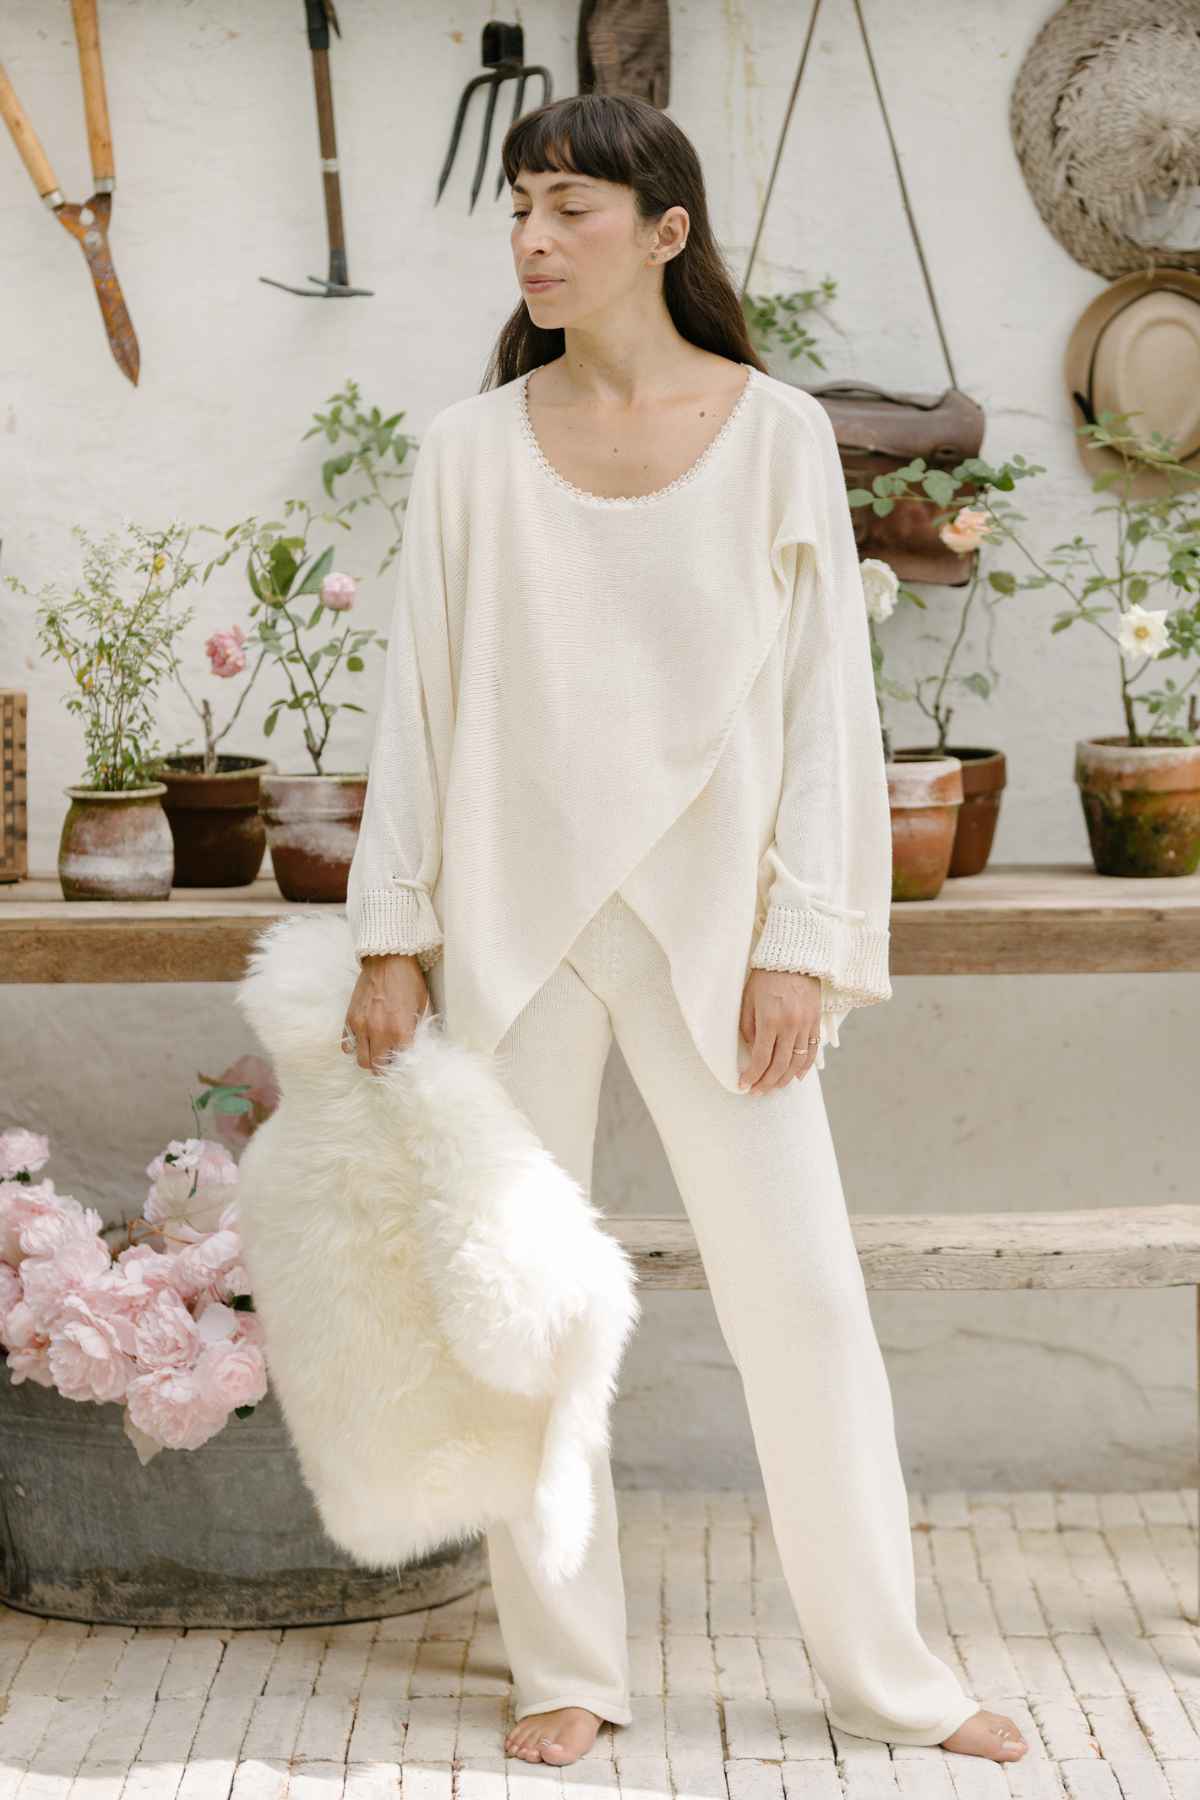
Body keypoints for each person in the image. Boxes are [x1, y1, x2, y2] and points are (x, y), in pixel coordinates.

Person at [341, 93, 1028, 1770]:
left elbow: (822, 712)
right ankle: (560, 1666)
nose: (532, 235)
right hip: (515, 926)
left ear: (667, 231)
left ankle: (895, 1676)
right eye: (520, 204)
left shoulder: (781, 433)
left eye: (569, 204)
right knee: (527, 1312)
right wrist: (394, 932)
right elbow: (416, 706)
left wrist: (804, 937)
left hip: (722, 937)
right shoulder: (465, 452)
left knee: (803, 1304)